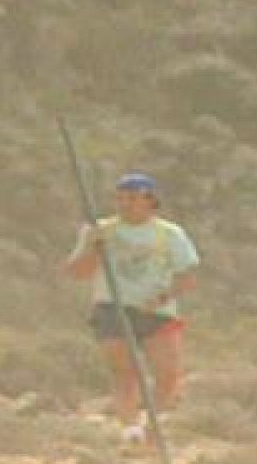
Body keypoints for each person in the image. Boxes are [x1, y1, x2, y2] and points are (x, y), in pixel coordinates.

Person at [63, 173, 199, 445]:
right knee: (124, 371)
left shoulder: (170, 234)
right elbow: (77, 272)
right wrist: (94, 248)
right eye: (120, 199)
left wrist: (163, 297)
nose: (125, 204)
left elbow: (188, 277)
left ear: (150, 201)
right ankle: (130, 430)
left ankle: (153, 428)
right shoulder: (100, 230)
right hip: (113, 307)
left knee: (168, 375)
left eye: (133, 198)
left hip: (156, 312)